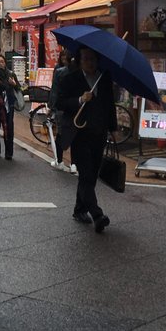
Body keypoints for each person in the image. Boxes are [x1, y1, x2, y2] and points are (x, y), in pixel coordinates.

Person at [56, 45, 117, 233]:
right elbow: (59, 102)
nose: (90, 62)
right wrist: (80, 100)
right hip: (79, 133)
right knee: (85, 173)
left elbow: (109, 104)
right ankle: (97, 214)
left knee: (91, 174)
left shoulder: (104, 78)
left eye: (93, 59)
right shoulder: (70, 79)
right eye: (86, 59)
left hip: (98, 133)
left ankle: (79, 209)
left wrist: (112, 128)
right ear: (79, 61)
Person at [48, 49, 74, 166]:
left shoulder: (59, 71)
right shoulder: (80, 71)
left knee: (60, 133)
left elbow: (55, 90)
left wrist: (51, 106)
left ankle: (60, 161)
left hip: (61, 107)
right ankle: (74, 164)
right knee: (74, 135)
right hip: (75, 107)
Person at [0, 54, 20, 160]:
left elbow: (19, 89)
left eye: (2, 61)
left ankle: (9, 152)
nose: (1, 63)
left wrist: (14, 84)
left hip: (9, 104)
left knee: (9, 128)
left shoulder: (11, 74)